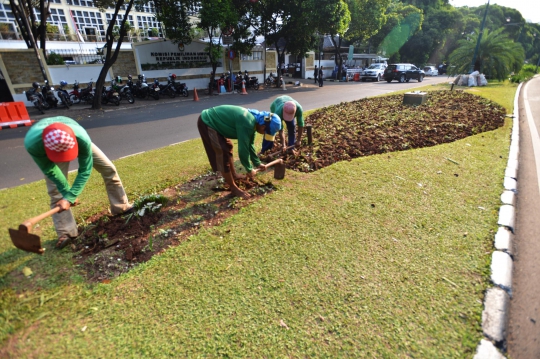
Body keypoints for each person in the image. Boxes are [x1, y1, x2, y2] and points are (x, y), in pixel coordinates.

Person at [24, 116, 133, 249]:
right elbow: (50, 170)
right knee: (56, 190)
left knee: (109, 168)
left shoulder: (81, 137)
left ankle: (121, 206)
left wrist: (71, 195)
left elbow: (85, 170)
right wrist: (66, 194)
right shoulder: (33, 144)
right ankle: (65, 233)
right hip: (49, 146)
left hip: (72, 137)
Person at [197, 105, 282, 199]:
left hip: (217, 123)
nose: (263, 134)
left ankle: (233, 175)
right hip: (208, 122)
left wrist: (257, 163)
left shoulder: (253, 121)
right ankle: (233, 188)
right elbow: (243, 150)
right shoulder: (247, 123)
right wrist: (249, 169)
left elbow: (250, 145)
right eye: (265, 132)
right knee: (223, 154)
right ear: (263, 126)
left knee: (228, 146)